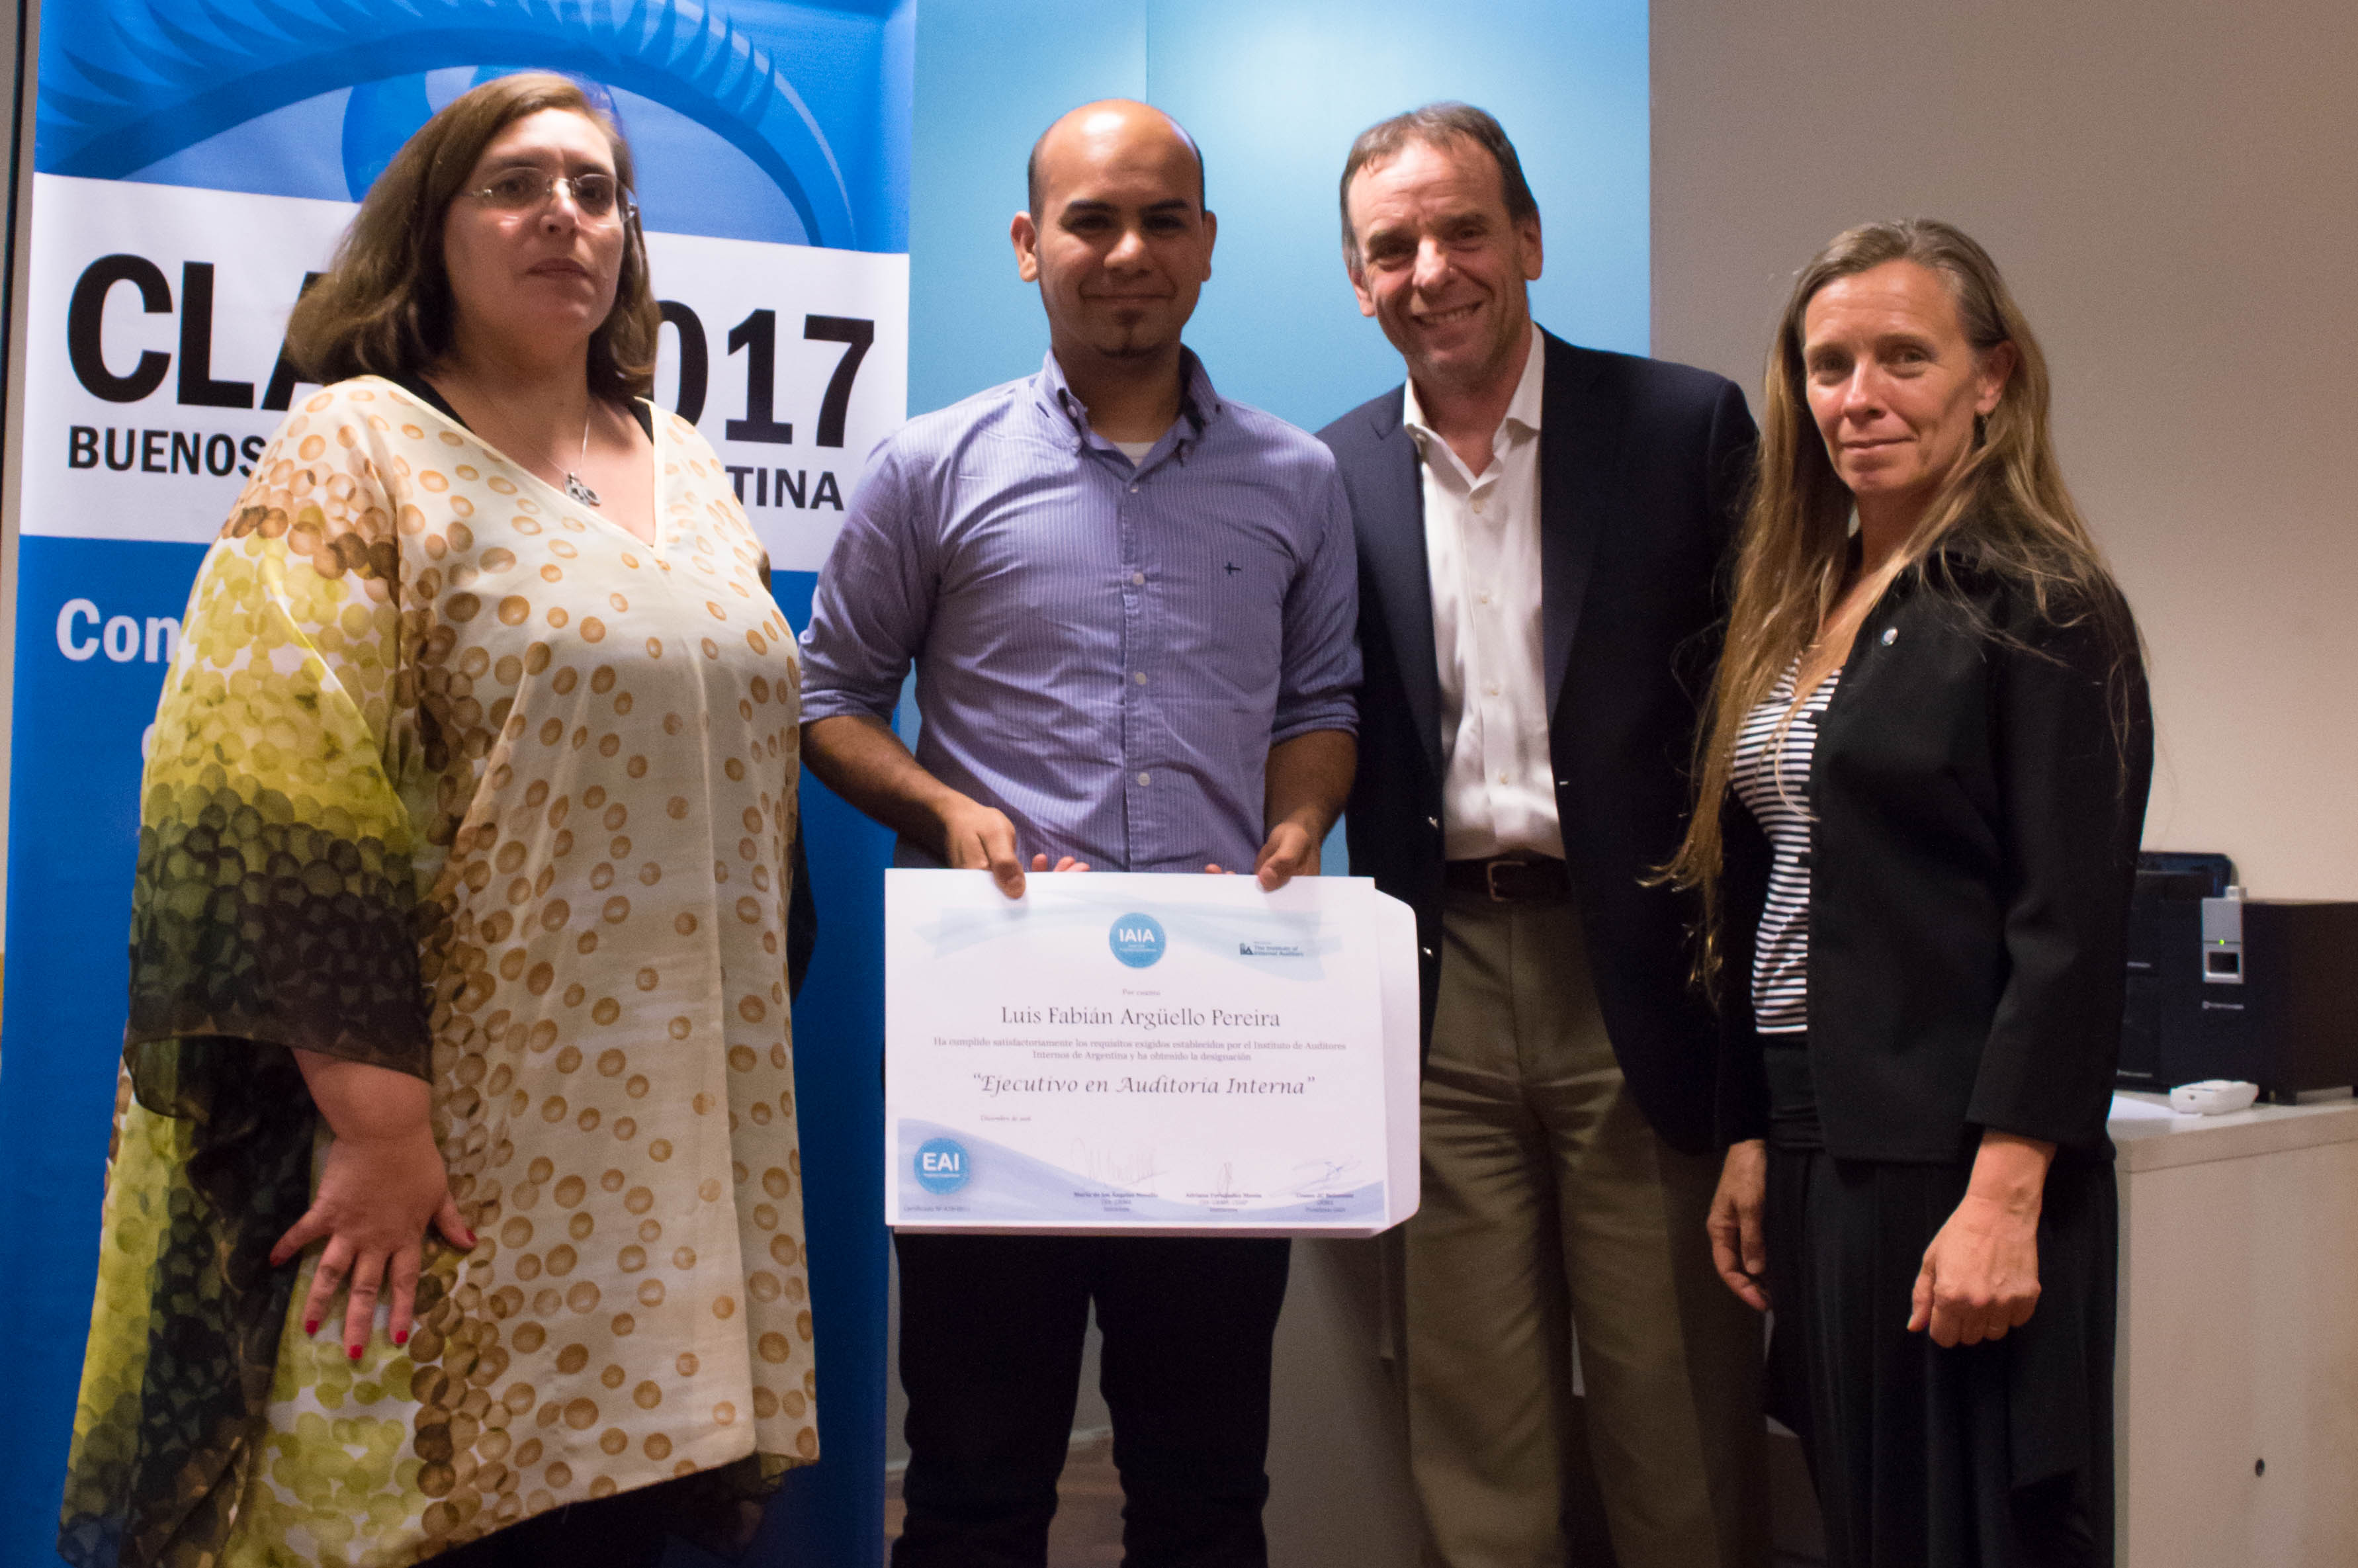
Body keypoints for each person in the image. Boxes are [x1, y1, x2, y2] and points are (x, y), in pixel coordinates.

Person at [59, 73, 820, 1568]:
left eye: (595, 191)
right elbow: (266, 796)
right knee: (452, 1516)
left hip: (677, 1141)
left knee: (628, 1517)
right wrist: (378, 1127)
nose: (563, 218)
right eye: (515, 186)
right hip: (448, 1146)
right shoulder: (362, 447)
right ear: (433, 228)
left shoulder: (691, 465)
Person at [799, 100, 1358, 1568]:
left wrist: (1302, 818)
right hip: (998, 1043)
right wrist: (943, 807)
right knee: (974, 1486)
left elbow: (1322, 702)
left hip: (1218, 1046)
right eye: (1090, 220)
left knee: (1205, 1489)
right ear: (1027, 242)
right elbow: (829, 699)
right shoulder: (931, 465)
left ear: (1208, 245)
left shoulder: (1297, 480)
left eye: (1163, 220)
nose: (1128, 252)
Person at [1319, 103, 1767, 1568]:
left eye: (1463, 231)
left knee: (1675, 1418)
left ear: (1527, 239)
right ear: (1358, 280)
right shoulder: (1328, 473)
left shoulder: (1683, 428)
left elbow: (1760, 728)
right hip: (1437, 984)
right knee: (1473, 1424)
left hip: (1638, 976)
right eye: (1393, 246)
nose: (1431, 270)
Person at [1674, 219, 2152, 1567]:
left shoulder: (2042, 603)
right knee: (1868, 1521)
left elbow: (2069, 927)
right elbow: (1776, 886)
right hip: (1817, 1129)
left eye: (1904, 358)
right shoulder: (1807, 596)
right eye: (1829, 365)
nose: (1859, 396)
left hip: (1955, 1147)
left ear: (1991, 378)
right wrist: (1753, 1131)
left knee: (1968, 1530)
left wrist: (2004, 1198)